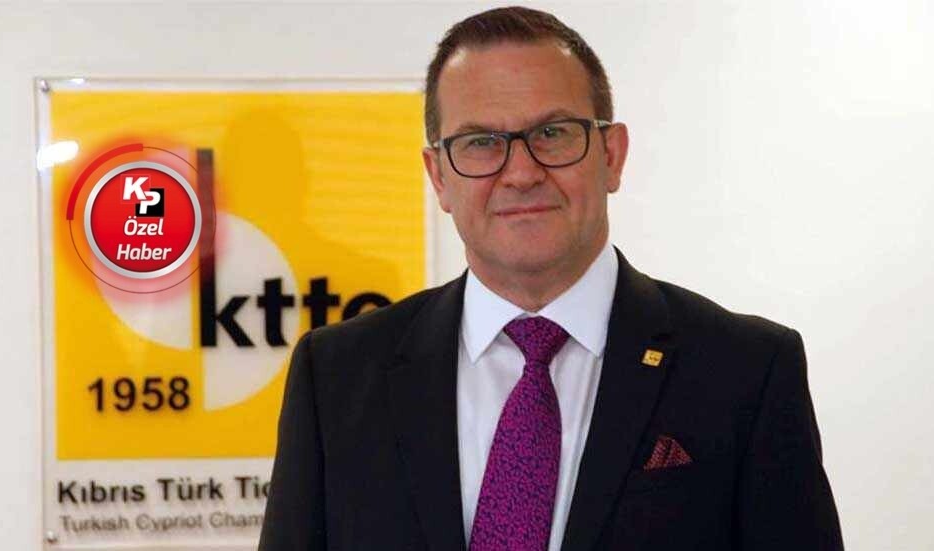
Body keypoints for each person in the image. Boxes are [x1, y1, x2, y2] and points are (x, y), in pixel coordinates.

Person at [258, 6, 843, 551]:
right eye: (481, 142)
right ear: (438, 176)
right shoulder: (335, 378)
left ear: (611, 155)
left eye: (553, 133)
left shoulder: (745, 372)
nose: (521, 173)